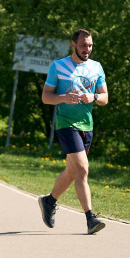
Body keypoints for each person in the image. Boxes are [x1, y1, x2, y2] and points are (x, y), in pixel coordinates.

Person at [38, 29, 108, 234]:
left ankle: (49, 201)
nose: (88, 49)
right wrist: (63, 98)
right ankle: (90, 218)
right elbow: (46, 97)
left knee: (72, 172)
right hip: (66, 123)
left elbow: (105, 98)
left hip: (87, 125)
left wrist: (93, 97)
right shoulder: (58, 66)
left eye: (91, 45)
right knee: (83, 170)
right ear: (73, 44)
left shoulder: (96, 67)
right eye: (84, 45)